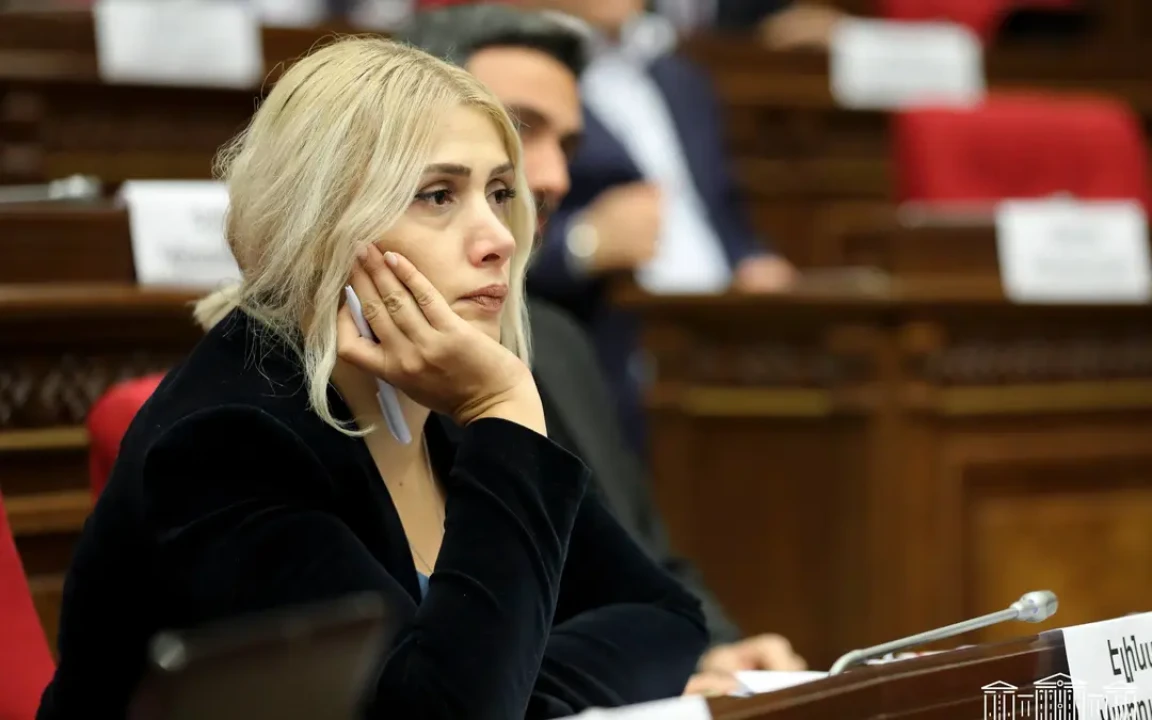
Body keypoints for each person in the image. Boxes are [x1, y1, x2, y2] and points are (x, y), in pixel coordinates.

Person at [37, 37, 708, 719]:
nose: (500, 238)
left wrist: (513, 690)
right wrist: (503, 408)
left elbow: (667, 618)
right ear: (319, 221)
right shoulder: (228, 444)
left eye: (501, 193)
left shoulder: (443, 395)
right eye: (438, 195)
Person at [397, 4, 805, 697]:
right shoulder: (366, 366)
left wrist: (725, 654)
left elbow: (647, 562)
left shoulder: (559, 341)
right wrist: (667, 671)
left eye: (570, 144)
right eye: (520, 128)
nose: (554, 176)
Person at [510, 0, 797, 457]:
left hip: (722, 331)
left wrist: (751, 258)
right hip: (613, 343)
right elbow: (486, 224)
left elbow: (723, 210)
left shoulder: (683, 80)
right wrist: (582, 244)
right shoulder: (517, 77)